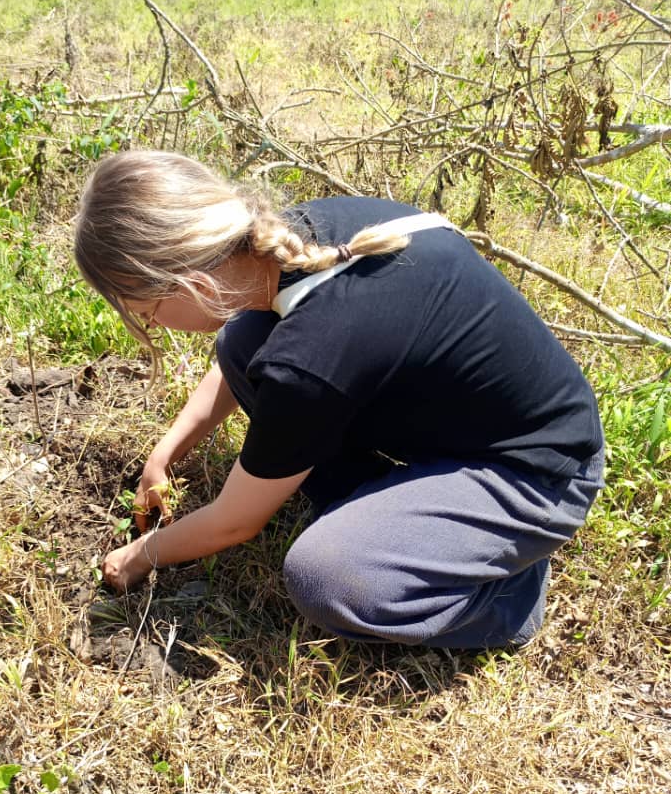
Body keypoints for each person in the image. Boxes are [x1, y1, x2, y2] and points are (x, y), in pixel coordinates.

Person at [74, 149, 604, 649]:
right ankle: (394, 517)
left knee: (329, 579)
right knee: (242, 341)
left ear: (195, 286)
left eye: (148, 314)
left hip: (541, 473)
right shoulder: (298, 237)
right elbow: (246, 362)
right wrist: (166, 452)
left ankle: (510, 598)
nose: (154, 326)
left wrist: (141, 555)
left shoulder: (310, 356)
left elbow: (234, 522)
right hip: (473, 422)